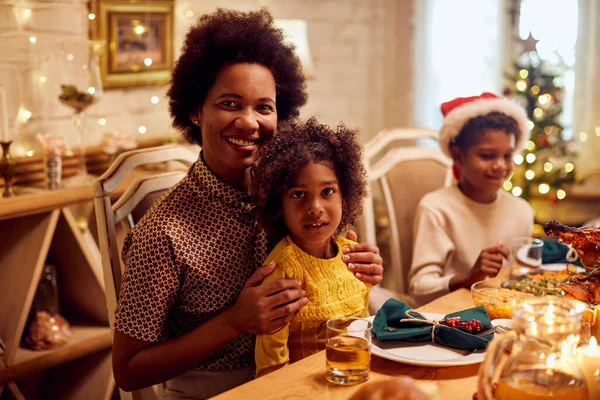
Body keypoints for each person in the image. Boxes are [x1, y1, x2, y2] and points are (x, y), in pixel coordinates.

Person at [111, 8, 383, 399]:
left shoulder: (291, 193)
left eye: (264, 107)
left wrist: (354, 265)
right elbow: (127, 371)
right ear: (194, 109)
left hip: (308, 377)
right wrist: (234, 322)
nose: (249, 122)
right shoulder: (164, 231)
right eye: (229, 103)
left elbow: (323, 268)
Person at [250, 118, 370, 376]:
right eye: (298, 194)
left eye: (327, 191)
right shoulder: (282, 271)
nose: (315, 207)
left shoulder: (353, 256)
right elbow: (271, 365)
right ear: (278, 205)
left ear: (345, 195)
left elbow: (365, 329)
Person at [409, 92, 534, 306]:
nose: (500, 166)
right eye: (487, 156)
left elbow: (524, 278)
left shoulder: (521, 210)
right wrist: (467, 278)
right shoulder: (436, 208)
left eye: (507, 156)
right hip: (450, 320)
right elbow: (419, 287)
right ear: (458, 156)